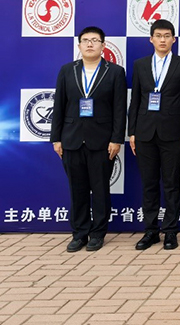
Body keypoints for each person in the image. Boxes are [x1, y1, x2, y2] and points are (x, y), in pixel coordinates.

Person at [50, 27, 126, 252]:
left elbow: (119, 109)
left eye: (95, 40)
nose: (90, 44)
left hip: (102, 141)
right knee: (77, 190)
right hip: (71, 139)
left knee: (100, 190)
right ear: (79, 45)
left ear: (103, 45)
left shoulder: (115, 72)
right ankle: (79, 233)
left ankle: (98, 234)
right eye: (85, 40)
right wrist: (56, 138)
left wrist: (116, 139)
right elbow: (59, 105)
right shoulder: (67, 70)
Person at [128, 20, 180, 251]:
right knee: (149, 184)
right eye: (158, 35)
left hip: (172, 133)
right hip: (144, 132)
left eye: (167, 36)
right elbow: (136, 100)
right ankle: (151, 231)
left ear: (174, 39)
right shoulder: (140, 65)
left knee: (171, 183)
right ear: (151, 39)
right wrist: (132, 132)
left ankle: (171, 231)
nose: (162, 39)